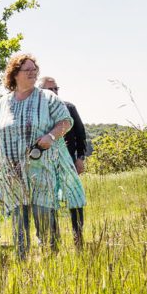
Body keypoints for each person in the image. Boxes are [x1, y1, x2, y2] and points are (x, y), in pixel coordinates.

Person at [0, 52, 81, 260]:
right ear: (15, 74)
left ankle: (51, 259)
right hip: (12, 173)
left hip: (41, 170)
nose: (32, 73)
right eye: (27, 70)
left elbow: (66, 121)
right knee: (19, 220)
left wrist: (51, 136)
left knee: (44, 216)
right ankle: (22, 261)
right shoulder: (3, 103)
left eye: (34, 70)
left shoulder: (47, 98)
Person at [41, 76, 91, 249]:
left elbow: (80, 134)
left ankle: (79, 238)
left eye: (56, 89)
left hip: (68, 163)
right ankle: (54, 242)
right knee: (49, 203)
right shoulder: (38, 113)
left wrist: (80, 158)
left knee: (75, 200)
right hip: (45, 166)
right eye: (49, 90)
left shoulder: (68, 107)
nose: (54, 92)